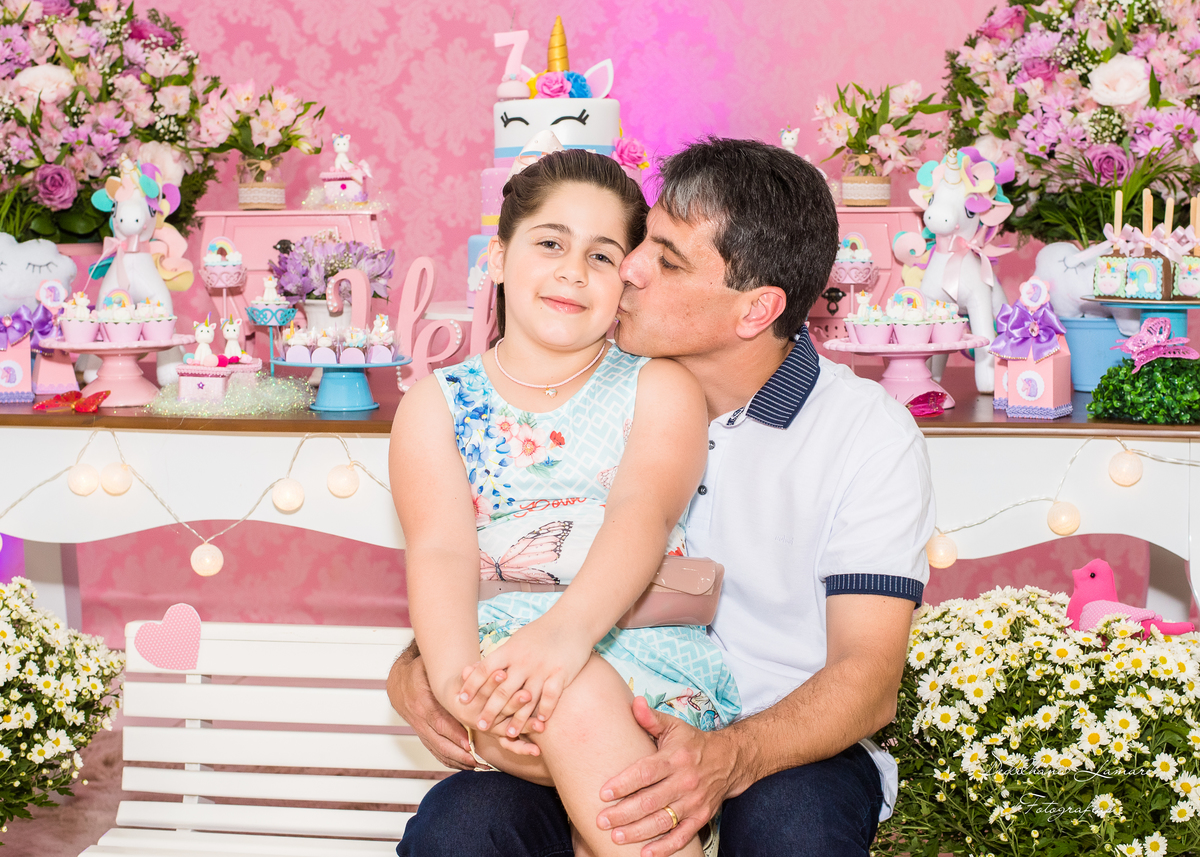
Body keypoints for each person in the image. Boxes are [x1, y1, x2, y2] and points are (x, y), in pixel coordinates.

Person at [389, 137, 935, 857]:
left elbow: (867, 679)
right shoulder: (586, 381)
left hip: (783, 740)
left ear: (755, 309)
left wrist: (729, 755)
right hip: (580, 705)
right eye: (642, 241)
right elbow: (478, 547)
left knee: (792, 830)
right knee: (460, 829)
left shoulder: (867, 435)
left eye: (667, 259)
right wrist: (422, 667)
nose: (630, 268)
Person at [388, 147, 740, 857]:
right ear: (498, 257)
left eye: (602, 256)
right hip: (501, 669)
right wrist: (457, 686)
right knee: (536, 711)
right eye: (550, 243)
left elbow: (641, 514)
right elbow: (441, 551)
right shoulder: (436, 406)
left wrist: (565, 636)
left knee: (574, 697)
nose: (573, 270)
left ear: (626, 280)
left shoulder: (658, 388)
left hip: (638, 654)